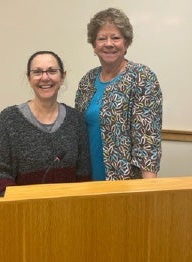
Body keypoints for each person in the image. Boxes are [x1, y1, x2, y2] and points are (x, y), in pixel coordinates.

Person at [0, 50, 91, 197]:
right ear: (29, 78)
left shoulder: (76, 120)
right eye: (37, 72)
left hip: (68, 211)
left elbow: (83, 175)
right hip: (21, 212)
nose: (45, 77)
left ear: (62, 77)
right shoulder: (9, 119)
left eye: (52, 71)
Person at [75, 8, 162, 180]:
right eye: (102, 38)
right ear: (94, 45)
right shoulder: (87, 80)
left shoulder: (141, 77)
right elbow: (78, 130)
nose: (109, 44)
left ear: (126, 43)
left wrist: (149, 191)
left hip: (125, 183)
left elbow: (148, 141)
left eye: (115, 38)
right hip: (86, 179)